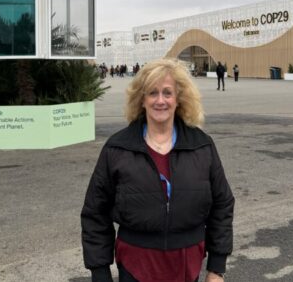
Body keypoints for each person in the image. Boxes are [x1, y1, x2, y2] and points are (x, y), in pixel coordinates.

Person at [81, 59, 234, 282]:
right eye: (152, 93)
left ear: (178, 98)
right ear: (141, 99)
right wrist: (100, 272)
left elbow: (223, 204)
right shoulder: (117, 148)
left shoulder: (202, 146)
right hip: (136, 265)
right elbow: (95, 212)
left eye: (167, 93)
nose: (160, 100)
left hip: (186, 266)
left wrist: (217, 268)